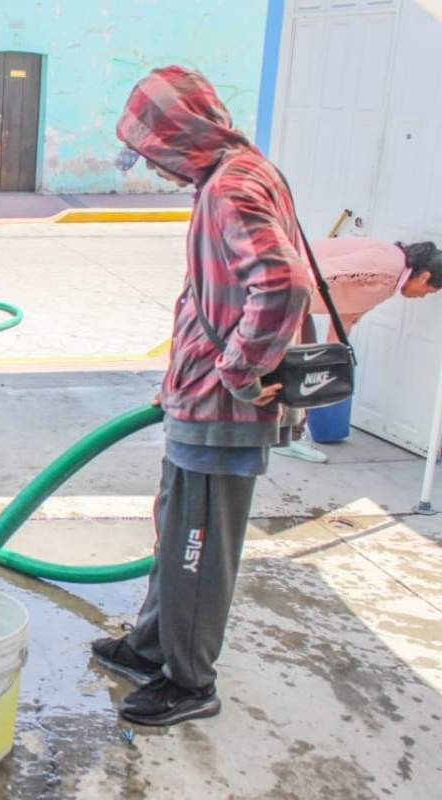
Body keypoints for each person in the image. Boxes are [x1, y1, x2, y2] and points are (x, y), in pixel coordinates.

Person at [94, 66, 313, 726]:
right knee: (176, 533)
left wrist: (239, 373)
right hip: (198, 399)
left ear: (179, 134)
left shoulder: (231, 189)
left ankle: (189, 683)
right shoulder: (237, 170)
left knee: (197, 549)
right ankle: (153, 645)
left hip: (223, 413)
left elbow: (281, 284)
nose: (154, 167)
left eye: (155, 150)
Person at [274, 237, 442, 462]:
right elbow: (324, 272)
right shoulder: (389, 263)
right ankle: (282, 437)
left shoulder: (391, 279)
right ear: (424, 276)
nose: (422, 296)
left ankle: (287, 437)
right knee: (295, 369)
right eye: (429, 291)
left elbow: (344, 313)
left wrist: (336, 355)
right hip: (284, 294)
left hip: (295, 302)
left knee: (307, 369)